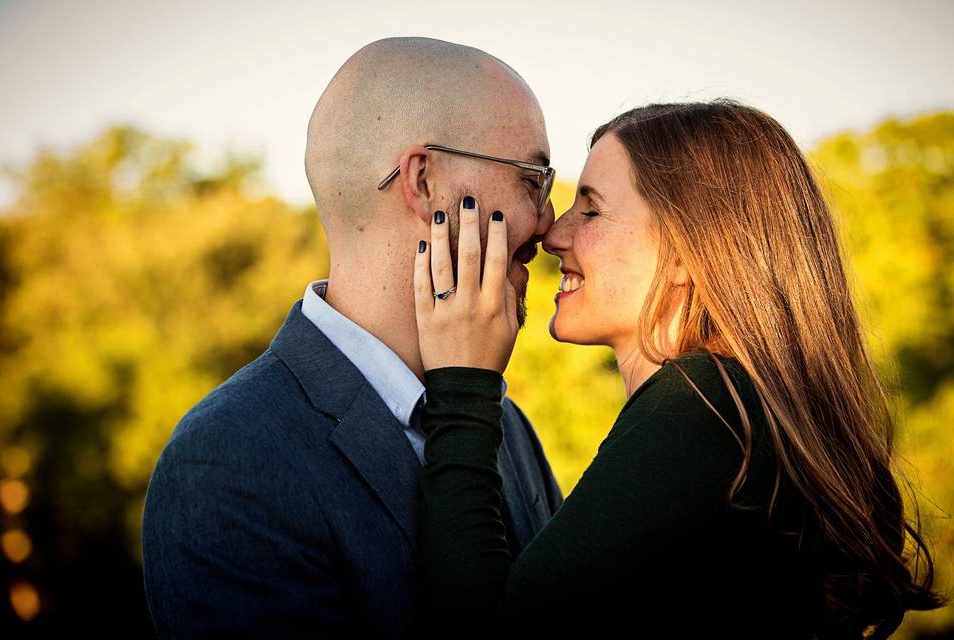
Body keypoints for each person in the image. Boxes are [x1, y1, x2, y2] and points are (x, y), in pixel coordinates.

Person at [412, 99, 949, 639]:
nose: (555, 236)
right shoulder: (734, 407)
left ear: (687, 252)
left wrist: (463, 384)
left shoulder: (703, 406)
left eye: (591, 211)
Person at [140, 37, 564, 638]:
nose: (548, 225)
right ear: (424, 182)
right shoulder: (229, 461)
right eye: (533, 180)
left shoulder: (503, 423)